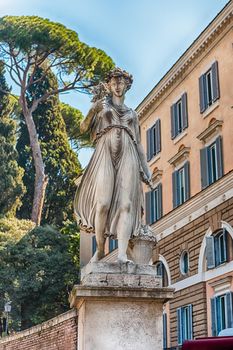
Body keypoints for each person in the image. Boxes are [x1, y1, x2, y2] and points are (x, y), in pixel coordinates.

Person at [74, 67, 151, 263]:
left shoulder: (132, 114)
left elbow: (139, 144)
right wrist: (92, 110)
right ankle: (100, 249)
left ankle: (123, 254)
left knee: (126, 204)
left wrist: (146, 169)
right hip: (105, 152)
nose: (117, 86)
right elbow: (83, 128)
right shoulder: (101, 107)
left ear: (127, 85)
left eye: (121, 82)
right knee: (103, 205)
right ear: (108, 85)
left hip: (128, 153)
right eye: (114, 83)